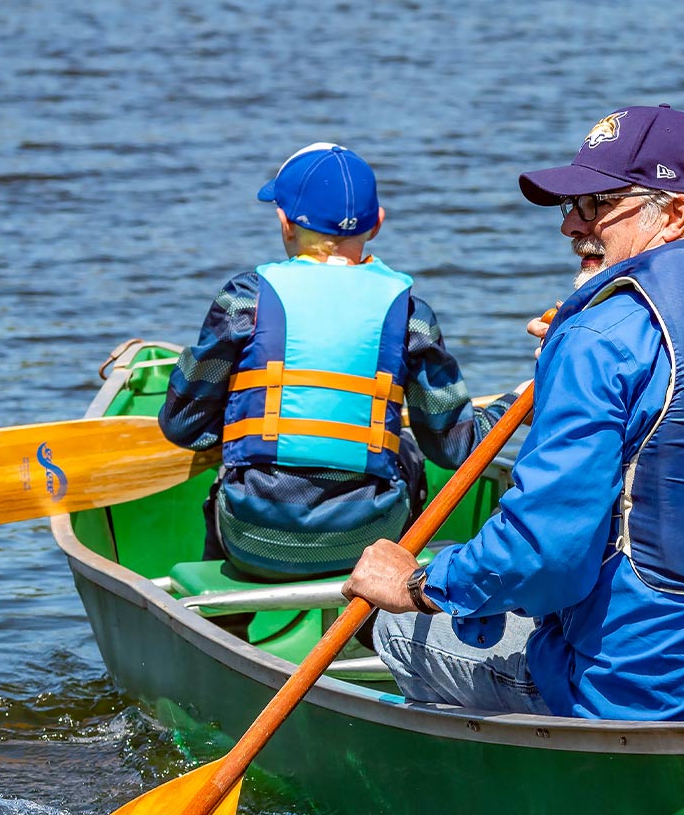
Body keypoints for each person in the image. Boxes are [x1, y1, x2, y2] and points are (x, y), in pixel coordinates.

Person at [343, 105, 684, 722]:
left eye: (596, 205)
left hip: (643, 691)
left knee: (397, 627)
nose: (571, 228)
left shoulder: (600, 334)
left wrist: (421, 585)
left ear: (677, 214)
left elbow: (542, 557)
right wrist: (577, 343)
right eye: (571, 207)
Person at [158, 143, 520, 581]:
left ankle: (228, 625)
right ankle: (375, 625)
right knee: (406, 451)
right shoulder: (409, 314)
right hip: (367, 538)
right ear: (378, 224)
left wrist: (241, 423)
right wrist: (512, 404)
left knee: (233, 470)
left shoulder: (245, 299)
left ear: (284, 222)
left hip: (253, 539)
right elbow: (454, 447)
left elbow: (183, 425)